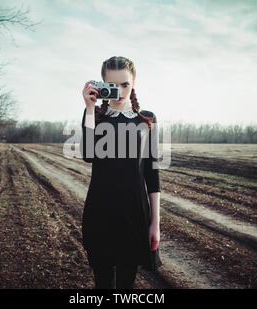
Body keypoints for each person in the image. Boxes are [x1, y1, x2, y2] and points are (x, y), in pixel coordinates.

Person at [80, 56, 162, 289]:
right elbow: (87, 154)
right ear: (103, 85)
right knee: (103, 284)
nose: (120, 91)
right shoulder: (95, 116)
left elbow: (152, 174)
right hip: (100, 212)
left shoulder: (147, 119)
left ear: (133, 84)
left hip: (134, 214)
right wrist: (88, 107)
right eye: (112, 86)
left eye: (125, 84)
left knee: (127, 285)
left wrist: (155, 223)